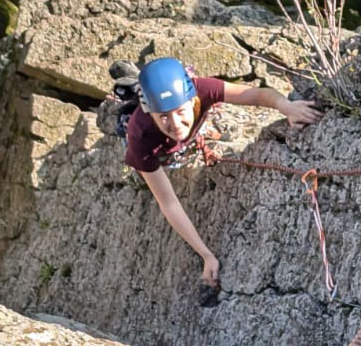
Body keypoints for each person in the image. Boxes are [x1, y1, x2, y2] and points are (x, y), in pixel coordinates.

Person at [123, 56, 322, 297]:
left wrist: (286, 106)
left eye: (179, 111)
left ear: (191, 97)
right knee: (151, 147)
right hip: (159, 147)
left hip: (192, 121)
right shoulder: (140, 135)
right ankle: (132, 90)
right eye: (163, 116)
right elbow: (169, 202)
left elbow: (256, 94)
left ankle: (136, 83)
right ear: (149, 112)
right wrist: (206, 254)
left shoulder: (202, 89)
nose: (175, 123)